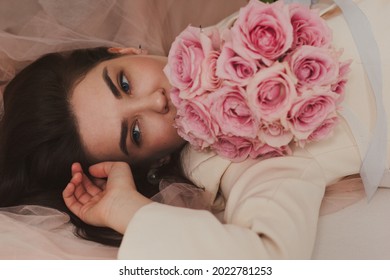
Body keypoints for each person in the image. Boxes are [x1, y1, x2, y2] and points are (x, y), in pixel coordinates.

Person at [1, 0, 390, 259]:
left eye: (123, 83)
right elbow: (265, 261)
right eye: (135, 134)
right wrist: (126, 210)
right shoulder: (225, 158)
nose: (156, 102)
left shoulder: (208, 39)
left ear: (123, 50)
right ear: (156, 161)